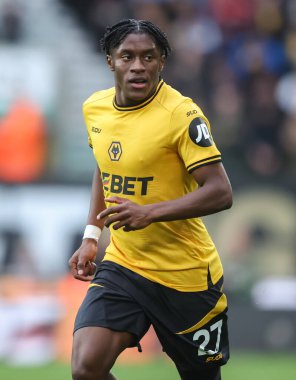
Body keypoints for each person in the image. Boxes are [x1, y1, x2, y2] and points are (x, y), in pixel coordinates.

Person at [69, 19, 233, 380]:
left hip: (185, 277)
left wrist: (150, 213)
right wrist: (91, 237)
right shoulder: (95, 108)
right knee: (86, 369)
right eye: (127, 56)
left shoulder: (181, 114)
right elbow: (104, 167)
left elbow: (221, 192)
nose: (138, 65)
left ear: (162, 62)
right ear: (110, 61)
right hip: (125, 265)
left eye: (149, 57)